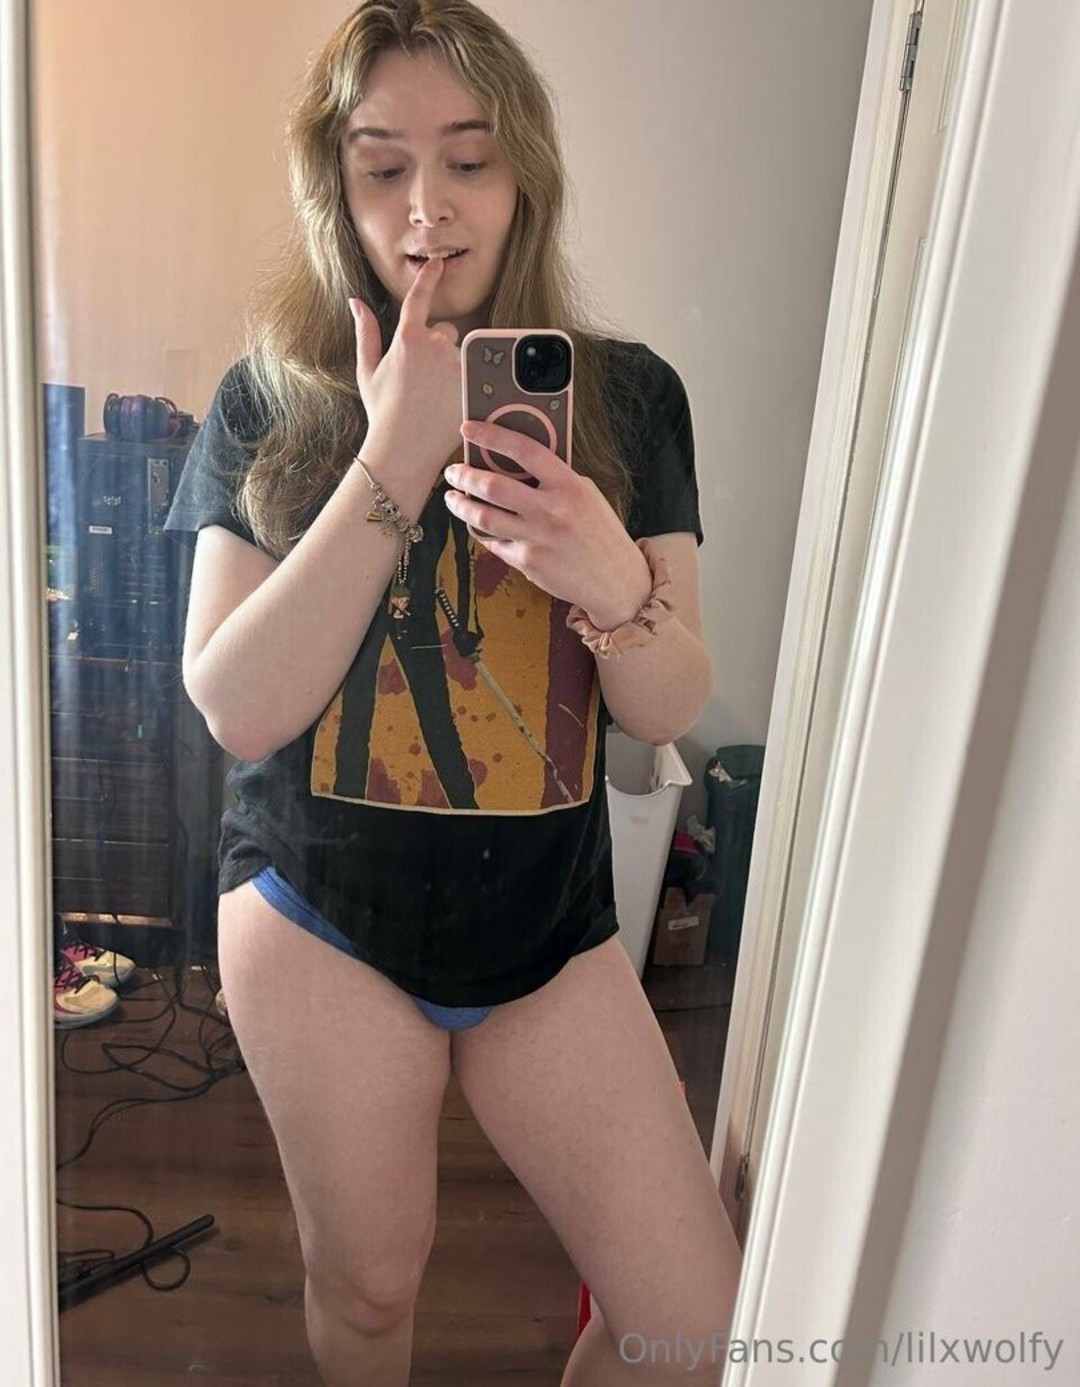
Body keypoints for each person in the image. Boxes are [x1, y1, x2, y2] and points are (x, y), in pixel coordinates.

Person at [165, 1, 742, 1381]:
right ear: (338, 185)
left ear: (523, 169)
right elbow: (237, 706)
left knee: (695, 1330)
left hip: (549, 925)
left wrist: (607, 571)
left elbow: (665, 708)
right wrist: (393, 458)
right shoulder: (271, 398)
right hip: (320, 917)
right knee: (370, 1289)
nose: (426, 205)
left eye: (468, 160)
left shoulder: (628, 399)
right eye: (384, 167)